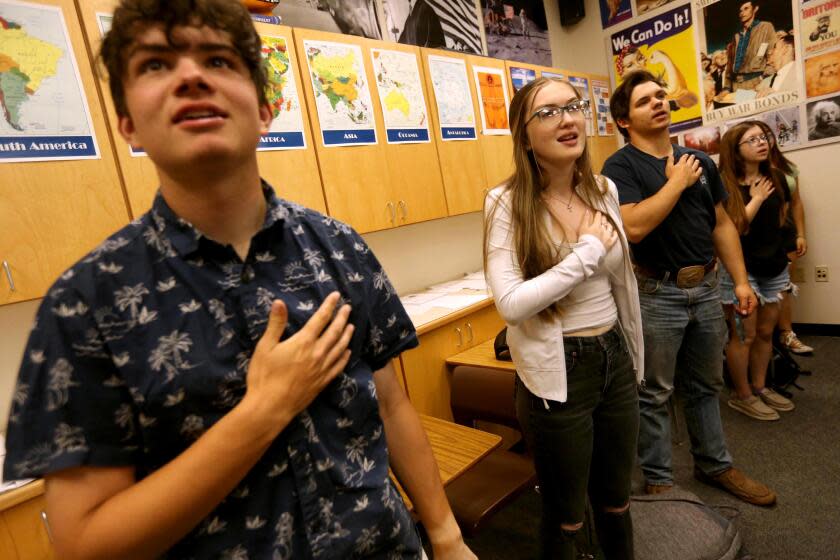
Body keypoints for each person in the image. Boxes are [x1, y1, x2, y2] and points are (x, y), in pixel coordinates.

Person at [1, 2, 476, 559]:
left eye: (219, 59)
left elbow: (392, 408)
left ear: (265, 108)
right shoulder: (85, 306)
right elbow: (85, 544)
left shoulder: (339, 247)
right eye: (155, 64)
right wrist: (263, 411)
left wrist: (445, 537)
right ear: (127, 123)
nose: (191, 75)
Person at [484, 76, 644, 559]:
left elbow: (622, 283)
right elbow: (510, 303)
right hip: (559, 372)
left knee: (617, 499)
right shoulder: (505, 202)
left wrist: (633, 354)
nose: (568, 119)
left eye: (572, 107)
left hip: (612, 355)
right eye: (548, 112)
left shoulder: (604, 189)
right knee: (567, 512)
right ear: (523, 134)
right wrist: (585, 252)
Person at [602, 70, 777, 506]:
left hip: (707, 285)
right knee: (656, 391)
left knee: (705, 384)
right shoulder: (618, 166)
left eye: (661, 96)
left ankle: (714, 464)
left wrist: (739, 281)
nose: (659, 103)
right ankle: (660, 480)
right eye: (644, 101)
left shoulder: (698, 159)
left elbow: (720, 224)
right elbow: (635, 226)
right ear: (624, 120)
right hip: (657, 294)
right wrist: (676, 182)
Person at [717, 122, 796, 420]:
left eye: (763, 137)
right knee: (743, 337)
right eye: (752, 140)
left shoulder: (775, 177)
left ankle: (760, 387)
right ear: (736, 150)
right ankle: (743, 394)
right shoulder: (723, 184)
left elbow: (781, 219)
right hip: (740, 272)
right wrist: (757, 198)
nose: (762, 143)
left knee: (765, 333)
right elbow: (731, 229)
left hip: (773, 268)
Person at [754, 121, 813, 354]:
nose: (762, 141)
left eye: (766, 136)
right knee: (757, 287)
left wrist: (801, 234)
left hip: (786, 233)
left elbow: (797, 204)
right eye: (756, 137)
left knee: (783, 285)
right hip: (758, 236)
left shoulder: (787, 168)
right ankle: (761, 338)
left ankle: (786, 334)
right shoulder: (744, 170)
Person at [726, 1, 776, 91]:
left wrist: (765, 80)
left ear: (755, 9)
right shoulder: (736, 35)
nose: (742, 13)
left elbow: (773, 57)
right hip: (736, 86)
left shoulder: (766, 27)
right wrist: (726, 87)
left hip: (756, 82)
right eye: (740, 11)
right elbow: (729, 65)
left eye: (746, 8)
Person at [755, 33, 796, 98]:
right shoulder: (775, 77)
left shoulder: (801, 73)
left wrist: (776, 95)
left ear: (786, 49)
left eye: (775, 47)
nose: (770, 52)